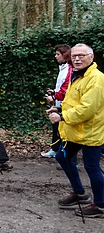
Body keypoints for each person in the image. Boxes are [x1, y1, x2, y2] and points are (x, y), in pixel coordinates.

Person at [47, 43, 104, 218]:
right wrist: (59, 109)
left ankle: (101, 205)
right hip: (75, 130)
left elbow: (88, 108)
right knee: (62, 156)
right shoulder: (78, 75)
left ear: (91, 57)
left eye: (82, 55)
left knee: (92, 167)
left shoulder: (96, 78)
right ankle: (80, 193)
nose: (77, 58)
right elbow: (74, 101)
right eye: (74, 56)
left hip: (91, 131)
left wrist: (63, 117)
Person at [41, 44, 72, 158]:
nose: (55, 56)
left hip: (64, 104)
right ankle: (55, 149)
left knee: (62, 129)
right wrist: (54, 93)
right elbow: (61, 87)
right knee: (56, 127)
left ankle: (66, 155)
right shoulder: (63, 68)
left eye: (58, 54)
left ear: (65, 55)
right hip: (58, 103)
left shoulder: (69, 69)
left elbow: (66, 90)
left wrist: (54, 97)